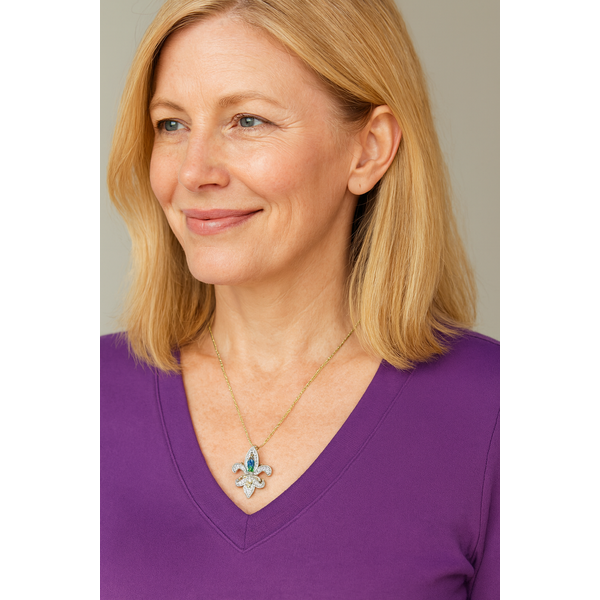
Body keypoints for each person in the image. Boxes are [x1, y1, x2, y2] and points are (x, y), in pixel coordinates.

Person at [101, 0, 499, 597]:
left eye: (247, 121)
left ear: (369, 149)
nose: (193, 172)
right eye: (172, 125)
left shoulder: (498, 411)